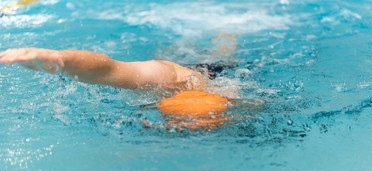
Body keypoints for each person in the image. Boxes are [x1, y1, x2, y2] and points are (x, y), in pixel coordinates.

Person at [0, 48, 238, 130]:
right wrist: (59, 59)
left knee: (222, 52)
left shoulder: (232, 93)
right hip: (189, 68)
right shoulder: (167, 78)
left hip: (218, 76)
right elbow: (107, 69)